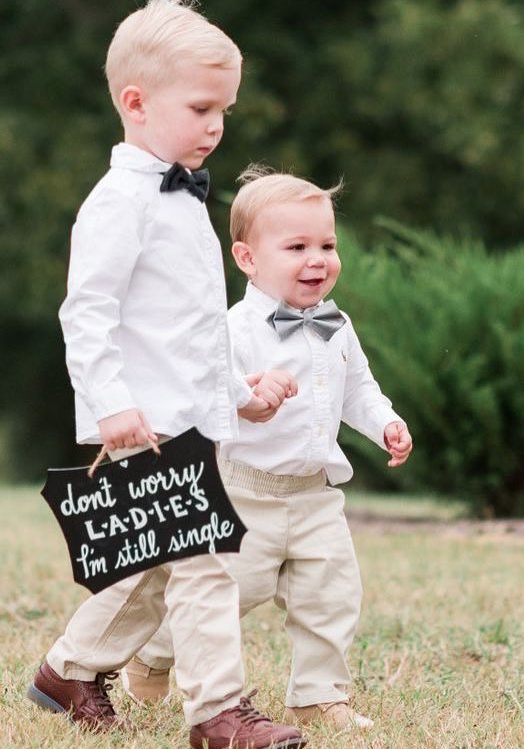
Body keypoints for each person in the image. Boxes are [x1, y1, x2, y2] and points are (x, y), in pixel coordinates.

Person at [27, 4, 306, 748]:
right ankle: (219, 713)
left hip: (192, 412)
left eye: (224, 110)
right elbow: (84, 314)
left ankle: (68, 668)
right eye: (201, 107)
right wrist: (111, 403)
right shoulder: (119, 204)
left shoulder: (184, 197)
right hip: (146, 421)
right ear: (137, 103)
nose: (216, 125)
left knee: (151, 563)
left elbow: (196, 327)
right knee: (206, 561)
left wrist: (240, 394)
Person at [122, 166, 414, 734]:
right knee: (225, 597)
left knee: (330, 594)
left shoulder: (338, 324)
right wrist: (247, 394)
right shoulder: (230, 331)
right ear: (248, 259)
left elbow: (359, 389)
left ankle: (317, 694)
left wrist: (385, 423)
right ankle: (155, 653)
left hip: (314, 495)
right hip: (244, 492)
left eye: (327, 245)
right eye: (297, 246)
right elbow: (201, 401)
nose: (317, 259)